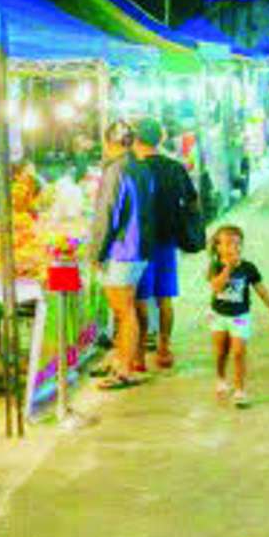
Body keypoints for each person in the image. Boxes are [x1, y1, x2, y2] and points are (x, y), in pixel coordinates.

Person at [88, 120, 156, 390]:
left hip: (122, 249)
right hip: (139, 248)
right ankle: (121, 360)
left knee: (123, 310)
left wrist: (96, 251)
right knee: (125, 310)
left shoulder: (116, 170)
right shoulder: (141, 167)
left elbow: (108, 213)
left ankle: (124, 370)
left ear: (109, 143)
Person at [133, 117, 198, 371]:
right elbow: (192, 200)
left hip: (139, 244)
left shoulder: (134, 169)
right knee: (164, 298)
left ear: (137, 140)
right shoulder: (175, 168)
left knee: (140, 300)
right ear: (161, 139)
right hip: (167, 242)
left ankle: (138, 355)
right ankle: (164, 349)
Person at [207, 224, 269, 408]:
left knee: (239, 352)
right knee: (220, 352)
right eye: (226, 244)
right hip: (218, 315)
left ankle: (240, 390)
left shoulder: (249, 268)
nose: (231, 248)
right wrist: (228, 268)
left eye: (235, 244)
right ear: (218, 247)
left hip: (240, 316)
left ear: (241, 246)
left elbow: (261, 290)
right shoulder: (215, 266)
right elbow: (217, 286)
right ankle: (220, 378)